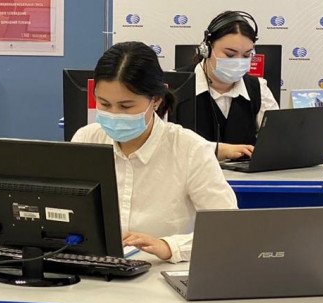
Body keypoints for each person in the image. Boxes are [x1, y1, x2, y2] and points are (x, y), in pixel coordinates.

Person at [72, 41, 237, 263]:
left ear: (156, 100)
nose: (114, 114)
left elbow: (227, 229)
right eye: (104, 104)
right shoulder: (86, 139)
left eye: (126, 106)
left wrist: (169, 247)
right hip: (97, 269)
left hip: (161, 272)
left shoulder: (190, 149)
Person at [190, 11, 279, 161]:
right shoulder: (176, 87)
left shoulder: (258, 88)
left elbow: (276, 138)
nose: (238, 61)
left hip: (244, 176)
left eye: (246, 55)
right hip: (191, 175)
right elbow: (163, 146)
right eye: (230, 54)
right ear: (206, 49)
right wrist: (216, 150)